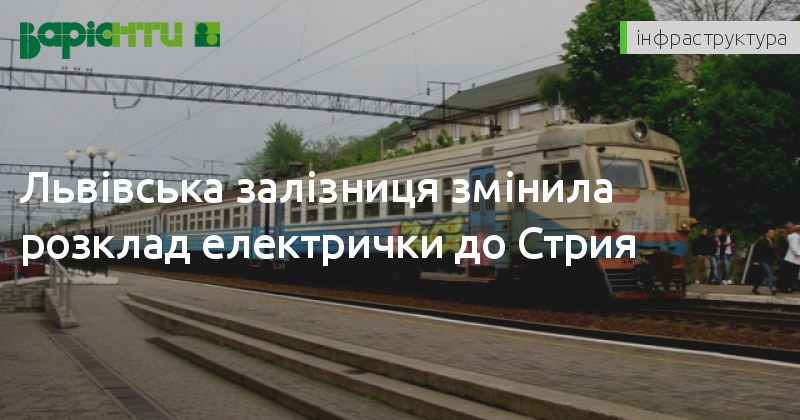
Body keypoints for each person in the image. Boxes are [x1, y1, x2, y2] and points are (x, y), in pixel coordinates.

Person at [750, 228, 776, 295]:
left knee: (761, 275)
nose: (773, 234)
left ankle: (755, 288)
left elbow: (773, 252)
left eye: (773, 233)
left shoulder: (772, 242)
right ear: (767, 233)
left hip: (769, 261)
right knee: (768, 274)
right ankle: (772, 288)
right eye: (771, 233)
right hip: (762, 260)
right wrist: (755, 260)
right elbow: (756, 251)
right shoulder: (761, 241)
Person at [778, 224, 800, 293]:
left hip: (794, 260)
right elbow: (793, 246)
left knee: (791, 274)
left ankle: (790, 287)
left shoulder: (795, 236)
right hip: (793, 259)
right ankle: (788, 287)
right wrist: (798, 253)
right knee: (791, 274)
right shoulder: (795, 237)